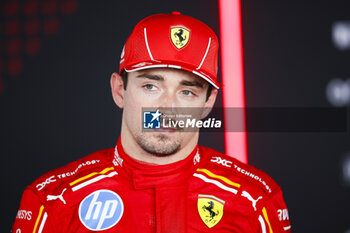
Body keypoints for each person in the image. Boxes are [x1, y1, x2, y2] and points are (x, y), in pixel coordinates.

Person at [12, 12, 291, 233]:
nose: (167, 107)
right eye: (151, 87)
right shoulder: (52, 200)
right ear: (119, 90)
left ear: (208, 103)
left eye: (186, 92)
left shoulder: (255, 200)